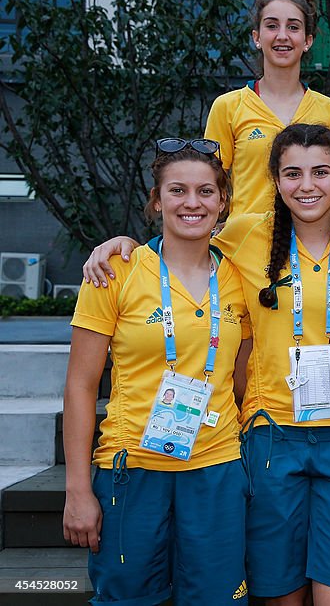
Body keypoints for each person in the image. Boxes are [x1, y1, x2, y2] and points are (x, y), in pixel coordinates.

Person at [81, 124, 330, 606]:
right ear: (274, 181)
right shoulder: (243, 238)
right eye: (292, 173)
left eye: (320, 172)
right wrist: (117, 245)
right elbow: (177, 244)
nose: (306, 185)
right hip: (264, 439)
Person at [64, 139, 250, 604]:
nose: (193, 203)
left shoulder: (240, 278)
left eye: (206, 192)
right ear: (156, 199)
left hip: (216, 467)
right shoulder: (115, 271)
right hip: (132, 466)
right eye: (178, 190)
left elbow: (243, 375)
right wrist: (77, 490)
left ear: (223, 201)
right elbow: (81, 386)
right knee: (127, 598)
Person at [206, 0, 330, 217]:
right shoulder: (228, 106)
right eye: (271, 25)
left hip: (310, 247)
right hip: (245, 246)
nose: (282, 36)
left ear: (307, 40)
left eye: (293, 27)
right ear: (256, 37)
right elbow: (207, 184)